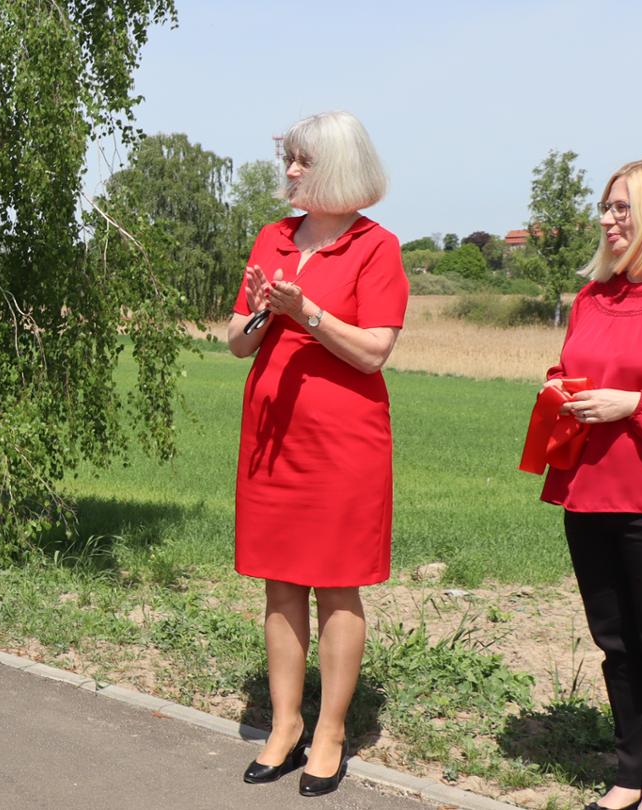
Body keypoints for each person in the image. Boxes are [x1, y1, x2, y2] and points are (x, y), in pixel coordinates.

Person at [224, 111, 407, 797]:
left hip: (342, 441)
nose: (290, 170)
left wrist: (311, 315)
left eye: (302, 160)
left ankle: (330, 731)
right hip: (272, 439)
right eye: (290, 159)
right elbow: (238, 341)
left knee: (335, 583)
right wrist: (269, 312)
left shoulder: (376, 248)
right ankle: (284, 725)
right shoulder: (271, 237)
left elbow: (374, 351)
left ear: (337, 165)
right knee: (278, 581)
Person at [541, 157, 642, 810]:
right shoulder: (592, 297)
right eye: (606, 206)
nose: (606, 218)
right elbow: (574, 363)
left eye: (621, 207)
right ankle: (629, 773)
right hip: (589, 493)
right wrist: (557, 385)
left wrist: (637, 406)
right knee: (616, 645)